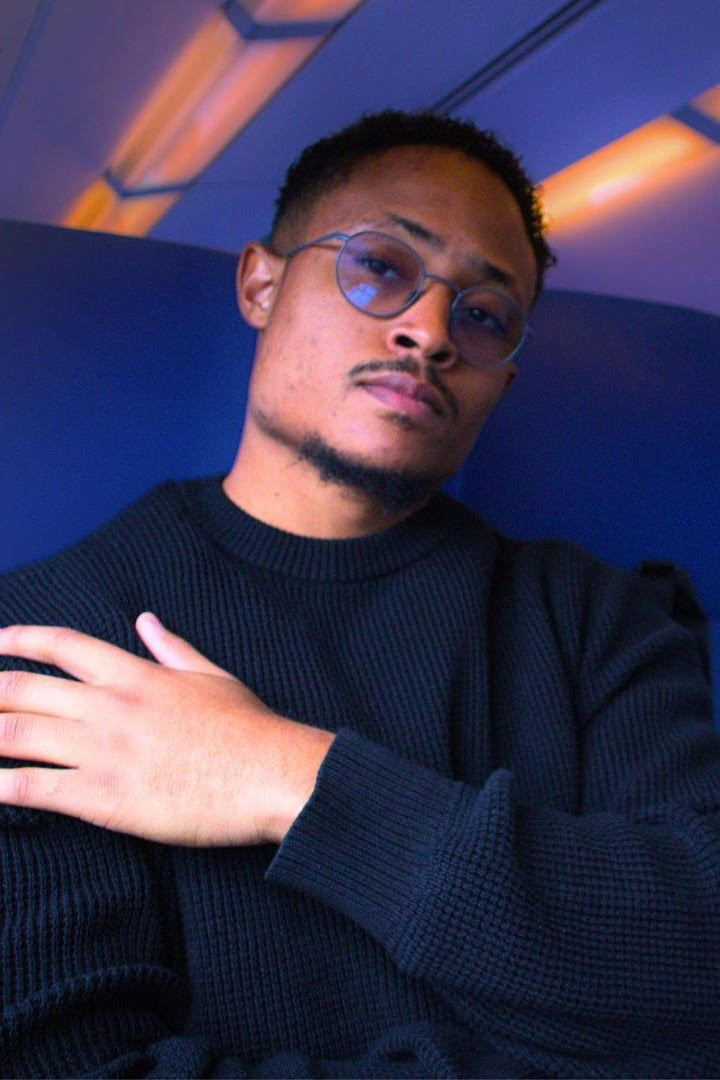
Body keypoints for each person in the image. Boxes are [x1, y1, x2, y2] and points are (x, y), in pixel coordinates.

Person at [0, 109, 718, 1079]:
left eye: (484, 314)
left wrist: (286, 779)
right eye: (379, 266)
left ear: (502, 383)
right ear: (261, 284)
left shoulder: (603, 623)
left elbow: (702, 966)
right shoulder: (45, 650)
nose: (429, 331)